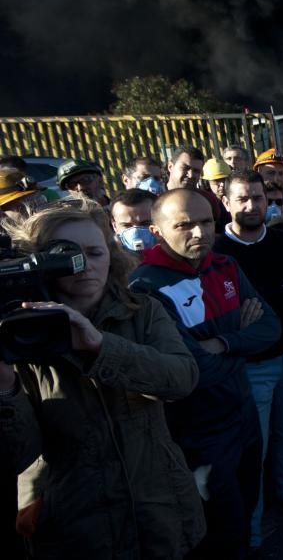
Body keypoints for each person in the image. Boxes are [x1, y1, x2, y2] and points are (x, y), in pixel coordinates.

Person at [0, 200, 205, 558]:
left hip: (159, 509)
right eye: (64, 255)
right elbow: (19, 454)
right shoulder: (19, 337)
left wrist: (100, 346)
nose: (84, 267)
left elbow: (181, 379)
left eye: (95, 252)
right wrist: (5, 386)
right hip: (78, 525)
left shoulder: (141, 311)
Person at [131, 188, 280, 557]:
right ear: (157, 231)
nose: (198, 233)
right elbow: (192, 372)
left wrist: (223, 344)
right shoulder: (146, 287)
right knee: (218, 527)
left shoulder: (224, 265)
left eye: (204, 222)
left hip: (243, 413)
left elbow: (271, 329)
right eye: (183, 225)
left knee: (245, 509)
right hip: (199, 432)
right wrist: (240, 344)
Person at [214, 171, 283, 549]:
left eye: (258, 198)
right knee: (253, 449)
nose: (251, 206)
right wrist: (281, 293)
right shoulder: (216, 254)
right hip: (250, 367)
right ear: (226, 202)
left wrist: (258, 302)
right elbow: (224, 314)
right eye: (242, 199)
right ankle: (253, 530)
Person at [109, 188, 158, 254]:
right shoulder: (105, 260)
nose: (136, 232)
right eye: (127, 225)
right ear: (114, 226)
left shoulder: (174, 257)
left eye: (145, 224)